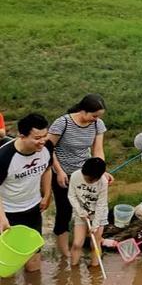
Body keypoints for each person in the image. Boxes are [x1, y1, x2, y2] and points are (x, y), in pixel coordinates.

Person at [48, 94, 111, 257]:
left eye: (99, 117)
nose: (96, 119)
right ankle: (64, 253)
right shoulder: (63, 123)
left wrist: (101, 171)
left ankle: (87, 240)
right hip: (64, 174)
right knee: (64, 211)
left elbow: (98, 150)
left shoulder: (97, 125)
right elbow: (48, 148)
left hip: (86, 173)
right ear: (83, 111)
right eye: (94, 116)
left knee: (89, 206)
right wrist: (59, 171)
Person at [0, 113, 53, 272]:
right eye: (37, 138)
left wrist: (46, 194)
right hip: (8, 212)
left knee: (33, 265)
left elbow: (47, 169)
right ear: (21, 136)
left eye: (45, 136)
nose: (42, 141)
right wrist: (1, 217)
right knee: (7, 265)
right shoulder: (4, 157)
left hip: (32, 209)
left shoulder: (46, 147)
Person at [68, 157, 108, 267]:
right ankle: (73, 268)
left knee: (94, 244)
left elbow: (101, 204)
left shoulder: (103, 182)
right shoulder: (75, 176)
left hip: (98, 214)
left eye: (91, 180)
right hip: (80, 212)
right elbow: (71, 195)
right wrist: (80, 211)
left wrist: (95, 224)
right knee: (77, 243)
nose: (88, 181)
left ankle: (95, 269)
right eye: (87, 178)